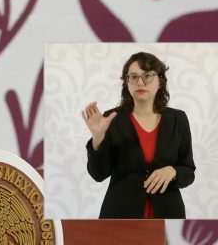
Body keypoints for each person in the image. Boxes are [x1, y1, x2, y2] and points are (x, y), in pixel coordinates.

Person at [81, 51, 195, 219]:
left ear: (160, 81)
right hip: (120, 215)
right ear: (126, 83)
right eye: (133, 77)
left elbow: (189, 171)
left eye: (147, 76)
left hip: (168, 213)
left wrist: (173, 171)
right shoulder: (112, 119)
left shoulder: (178, 119)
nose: (140, 82)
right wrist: (97, 139)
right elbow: (98, 175)